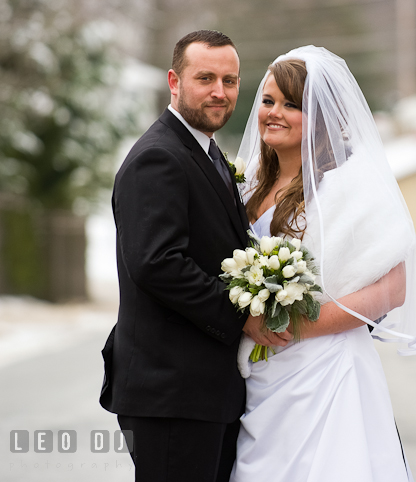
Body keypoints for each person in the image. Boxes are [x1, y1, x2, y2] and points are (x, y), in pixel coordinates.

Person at [229, 46, 416, 482]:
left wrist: (296, 326)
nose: (273, 113)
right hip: (265, 376)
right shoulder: (248, 187)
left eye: (291, 104)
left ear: (318, 115)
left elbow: (392, 288)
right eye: (268, 101)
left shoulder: (348, 184)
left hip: (328, 368)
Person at [99, 30, 291, 482]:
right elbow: (156, 262)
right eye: (205, 78)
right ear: (174, 80)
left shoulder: (206, 154)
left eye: (230, 80)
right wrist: (242, 316)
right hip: (172, 394)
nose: (219, 92)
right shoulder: (159, 157)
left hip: (203, 393)